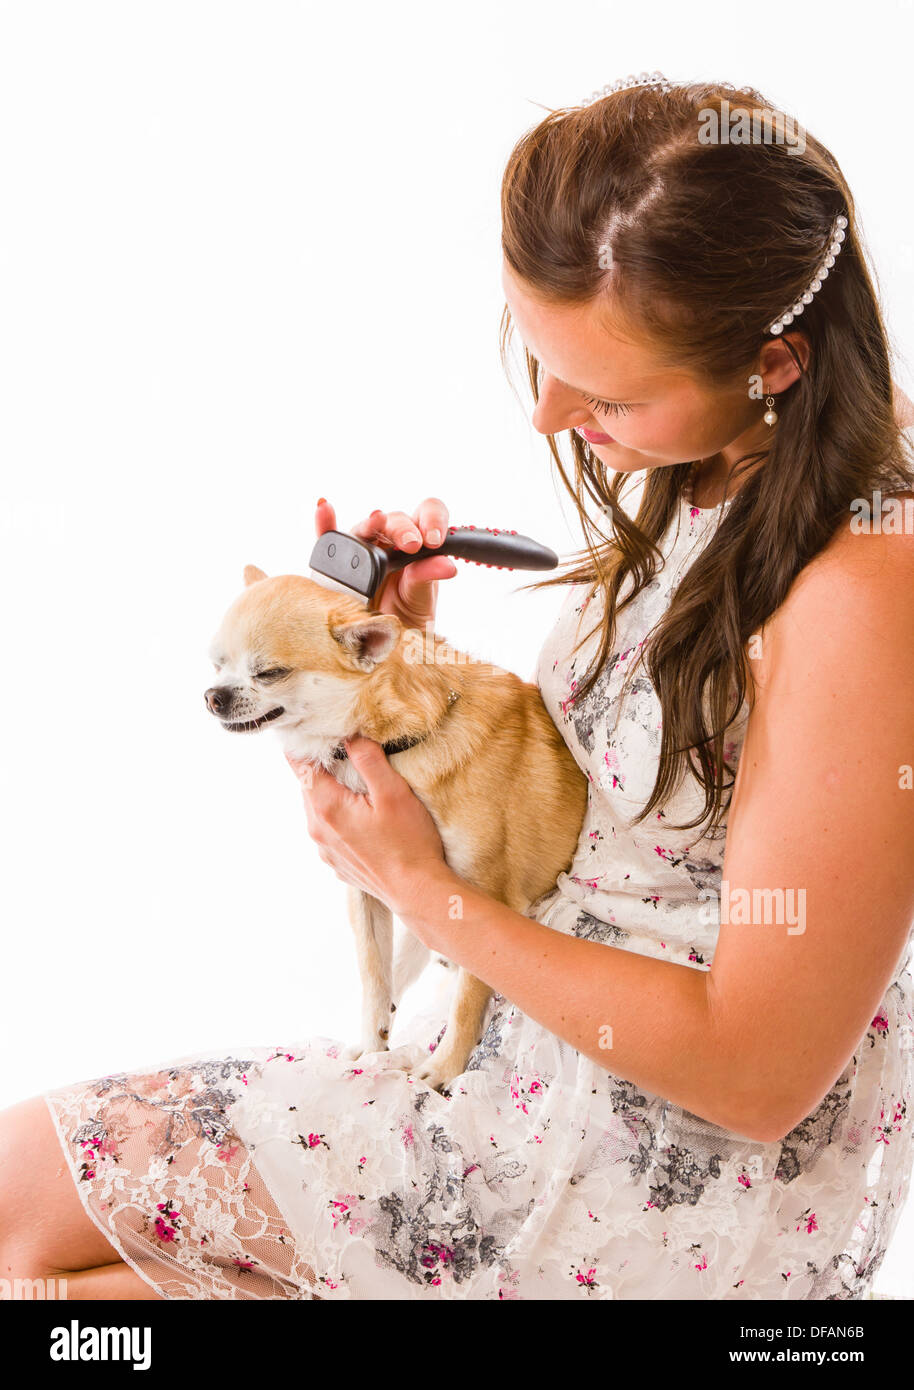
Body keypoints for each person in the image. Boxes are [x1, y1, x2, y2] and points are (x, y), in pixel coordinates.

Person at [2, 75, 914, 1301]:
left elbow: (760, 1070)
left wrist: (425, 898)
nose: (546, 417)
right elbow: (621, 815)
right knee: (24, 1220)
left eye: (604, 393)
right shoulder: (719, 476)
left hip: (643, 1168)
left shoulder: (863, 595)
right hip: (513, 1054)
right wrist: (405, 689)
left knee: (45, 1275)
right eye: (532, 355)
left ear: (774, 363)